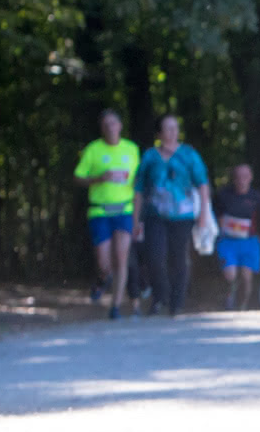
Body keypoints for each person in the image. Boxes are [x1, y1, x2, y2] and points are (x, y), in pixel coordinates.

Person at [134, 114, 214, 316]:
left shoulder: (188, 154)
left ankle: (176, 303)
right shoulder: (150, 156)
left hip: (183, 215)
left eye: (175, 128)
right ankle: (160, 296)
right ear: (159, 133)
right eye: (167, 128)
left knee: (179, 258)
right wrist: (136, 219)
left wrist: (204, 213)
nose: (172, 132)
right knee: (155, 257)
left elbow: (202, 184)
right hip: (154, 214)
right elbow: (139, 189)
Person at [72, 109, 139, 319]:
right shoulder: (93, 150)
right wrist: (99, 178)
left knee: (121, 257)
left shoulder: (131, 149)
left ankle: (116, 306)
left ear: (120, 126)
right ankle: (102, 278)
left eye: (114, 123)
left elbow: (138, 182)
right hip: (99, 210)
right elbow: (78, 177)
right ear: (102, 128)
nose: (110, 128)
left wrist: (138, 215)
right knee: (104, 262)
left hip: (124, 209)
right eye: (106, 125)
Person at [213, 163, 260, 310]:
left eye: (245, 177)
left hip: (249, 241)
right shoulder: (223, 195)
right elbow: (212, 213)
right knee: (230, 274)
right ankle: (229, 298)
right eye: (238, 177)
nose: (241, 180)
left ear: (250, 178)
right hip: (228, 241)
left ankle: (242, 305)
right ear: (233, 179)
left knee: (246, 277)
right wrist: (218, 222)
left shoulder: (257, 198)